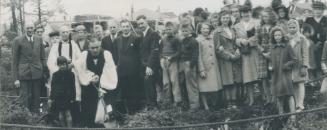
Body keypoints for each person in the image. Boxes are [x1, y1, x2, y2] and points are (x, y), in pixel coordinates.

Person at [77, 35, 118, 128]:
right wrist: (91, 77)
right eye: (92, 48)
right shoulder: (84, 54)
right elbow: (81, 70)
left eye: (97, 47)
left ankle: (104, 125)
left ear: (100, 46)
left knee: (106, 108)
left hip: (104, 87)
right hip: (89, 86)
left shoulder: (106, 54)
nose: (95, 50)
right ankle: (89, 125)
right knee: (88, 108)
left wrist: (101, 82)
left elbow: (110, 71)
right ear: (89, 47)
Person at [47, 26, 82, 127]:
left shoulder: (74, 45)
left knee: (73, 97)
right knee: (61, 102)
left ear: (69, 34)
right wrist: (59, 71)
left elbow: (80, 59)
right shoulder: (55, 46)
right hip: (60, 78)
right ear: (60, 34)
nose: (65, 34)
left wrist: (73, 64)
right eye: (63, 32)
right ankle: (60, 123)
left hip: (71, 76)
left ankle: (76, 121)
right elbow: (51, 62)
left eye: (67, 32)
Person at [12, 23, 46, 113]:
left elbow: (43, 57)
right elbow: (14, 61)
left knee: (36, 96)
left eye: (31, 28)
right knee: (25, 97)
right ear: (24, 29)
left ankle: (36, 118)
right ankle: (26, 117)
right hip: (24, 74)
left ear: (34, 28)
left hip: (37, 73)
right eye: (28, 28)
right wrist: (16, 79)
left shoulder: (39, 39)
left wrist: (44, 72)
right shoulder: (18, 40)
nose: (30, 30)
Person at [113, 19, 143, 114]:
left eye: (127, 26)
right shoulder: (117, 40)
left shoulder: (136, 38)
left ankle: (134, 111)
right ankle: (125, 112)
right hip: (122, 70)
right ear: (120, 28)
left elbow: (139, 54)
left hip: (133, 70)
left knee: (133, 90)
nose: (125, 28)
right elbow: (115, 55)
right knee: (124, 90)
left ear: (130, 27)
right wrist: (116, 65)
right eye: (123, 26)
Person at [214, 10, 242, 109]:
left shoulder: (233, 29)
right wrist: (229, 56)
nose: (225, 19)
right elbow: (217, 48)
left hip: (235, 57)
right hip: (225, 59)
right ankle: (228, 103)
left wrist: (238, 52)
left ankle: (234, 102)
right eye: (223, 18)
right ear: (220, 19)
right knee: (227, 81)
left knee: (234, 80)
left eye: (227, 18)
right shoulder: (217, 31)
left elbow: (237, 42)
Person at [234, 5, 259, 106]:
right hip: (245, 54)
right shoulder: (236, 26)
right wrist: (240, 41)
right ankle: (251, 99)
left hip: (255, 52)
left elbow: (259, 36)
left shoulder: (257, 23)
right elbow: (234, 38)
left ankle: (265, 97)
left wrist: (249, 41)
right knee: (248, 78)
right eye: (244, 13)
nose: (246, 14)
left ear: (251, 12)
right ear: (241, 14)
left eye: (248, 12)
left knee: (260, 76)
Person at [269, 27, 297, 118]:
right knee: (279, 95)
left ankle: (293, 115)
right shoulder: (272, 48)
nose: (277, 37)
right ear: (273, 37)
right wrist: (270, 66)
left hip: (285, 74)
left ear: (282, 35)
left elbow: (295, 59)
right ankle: (281, 114)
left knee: (289, 94)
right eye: (275, 35)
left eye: (279, 35)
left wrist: (287, 65)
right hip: (276, 75)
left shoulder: (287, 46)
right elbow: (271, 60)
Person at [136, 15, 161, 108]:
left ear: (147, 22)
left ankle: (153, 105)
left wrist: (149, 66)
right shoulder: (142, 34)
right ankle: (149, 104)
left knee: (150, 84)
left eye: (142, 23)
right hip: (143, 64)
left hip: (151, 65)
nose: (141, 25)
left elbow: (154, 50)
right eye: (139, 24)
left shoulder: (153, 33)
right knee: (146, 85)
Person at [197, 22, 223, 110]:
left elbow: (217, 49)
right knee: (204, 87)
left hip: (214, 66)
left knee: (214, 86)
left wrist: (220, 49)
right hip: (205, 66)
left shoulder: (213, 38)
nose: (205, 30)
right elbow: (198, 56)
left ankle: (214, 104)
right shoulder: (198, 40)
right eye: (203, 28)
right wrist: (201, 69)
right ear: (200, 30)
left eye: (207, 28)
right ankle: (206, 106)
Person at [255, 7, 277, 104]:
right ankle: (268, 98)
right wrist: (263, 52)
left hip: (274, 54)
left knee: (273, 76)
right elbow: (257, 42)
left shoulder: (276, 27)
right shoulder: (259, 28)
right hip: (262, 55)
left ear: (271, 16)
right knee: (264, 78)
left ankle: (274, 97)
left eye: (267, 16)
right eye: (263, 16)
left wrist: (272, 53)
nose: (265, 18)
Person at [287, 19, 309, 112]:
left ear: (297, 27)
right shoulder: (287, 38)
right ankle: (296, 104)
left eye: (294, 27)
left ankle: (301, 104)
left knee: (300, 83)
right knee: (294, 84)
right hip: (291, 66)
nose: (292, 29)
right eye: (290, 27)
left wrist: (304, 66)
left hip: (299, 65)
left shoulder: (302, 38)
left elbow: (305, 53)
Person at [159, 22, 182, 105]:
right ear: (165, 30)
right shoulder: (163, 39)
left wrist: (172, 57)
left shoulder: (176, 39)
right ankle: (168, 100)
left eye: (170, 29)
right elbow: (160, 51)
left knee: (174, 81)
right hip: (164, 61)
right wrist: (161, 58)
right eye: (167, 29)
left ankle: (177, 100)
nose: (168, 31)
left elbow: (179, 51)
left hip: (173, 61)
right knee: (166, 82)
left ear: (173, 29)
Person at [49, 56, 75, 127]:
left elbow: (73, 87)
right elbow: (53, 87)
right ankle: (63, 128)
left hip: (67, 97)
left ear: (66, 64)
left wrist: (73, 98)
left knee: (68, 114)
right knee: (60, 115)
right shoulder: (55, 75)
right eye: (60, 65)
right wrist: (51, 98)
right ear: (58, 65)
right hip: (58, 97)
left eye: (63, 64)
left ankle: (69, 128)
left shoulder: (71, 74)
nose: (62, 66)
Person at [305, 1, 327, 83]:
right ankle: (313, 83)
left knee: (322, 64)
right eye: (316, 9)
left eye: (320, 9)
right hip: (311, 46)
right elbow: (305, 32)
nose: (317, 11)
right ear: (313, 10)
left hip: (324, 46)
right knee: (312, 64)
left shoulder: (325, 20)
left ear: (323, 10)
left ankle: (322, 82)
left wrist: (322, 41)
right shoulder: (308, 20)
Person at [179, 23, 199, 110]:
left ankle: (194, 106)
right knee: (182, 83)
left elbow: (195, 55)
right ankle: (186, 104)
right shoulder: (183, 40)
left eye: (186, 31)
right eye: (183, 31)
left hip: (189, 64)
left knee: (191, 85)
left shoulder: (193, 41)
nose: (184, 32)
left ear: (190, 31)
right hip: (182, 63)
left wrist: (190, 66)